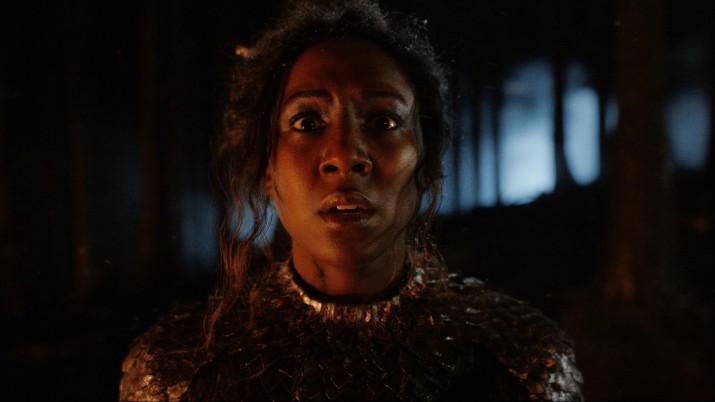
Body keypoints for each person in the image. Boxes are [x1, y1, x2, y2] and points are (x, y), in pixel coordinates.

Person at [119, 0, 584, 400]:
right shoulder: (177, 372)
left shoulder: (521, 361)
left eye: (383, 122)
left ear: (424, 163)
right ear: (268, 171)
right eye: (307, 122)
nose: (344, 156)